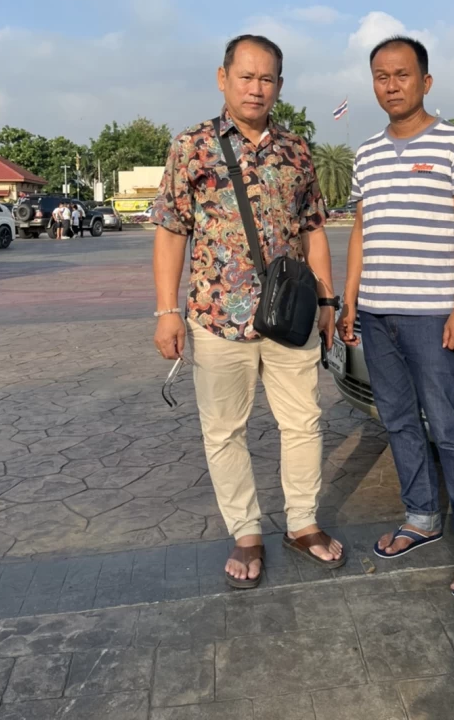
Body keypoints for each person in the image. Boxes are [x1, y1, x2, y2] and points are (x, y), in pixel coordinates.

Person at [151, 34, 345, 589]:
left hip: (290, 317)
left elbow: (313, 230)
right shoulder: (192, 147)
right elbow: (171, 232)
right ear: (223, 78)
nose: (256, 88)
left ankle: (302, 523)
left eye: (267, 79)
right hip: (217, 318)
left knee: (303, 422)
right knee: (223, 432)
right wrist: (166, 310)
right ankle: (246, 531)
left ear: (279, 86)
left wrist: (327, 300)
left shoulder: (296, 150)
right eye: (246, 76)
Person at [340, 35, 454, 599]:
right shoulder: (367, 153)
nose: (391, 85)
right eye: (381, 76)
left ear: (425, 81)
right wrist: (350, 298)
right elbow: (362, 229)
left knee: (449, 426)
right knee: (398, 421)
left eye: (402, 74)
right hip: (376, 312)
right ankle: (422, 516)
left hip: (432, 315)